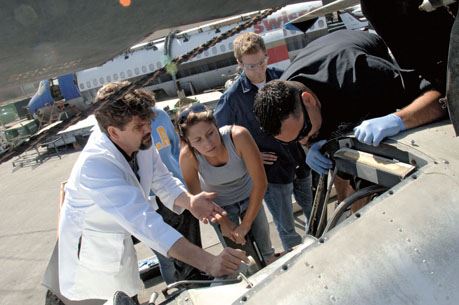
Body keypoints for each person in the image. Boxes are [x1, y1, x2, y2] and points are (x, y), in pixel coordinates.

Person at [58, 81, 248, 304]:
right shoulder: (96, 166)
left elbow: (161, 178)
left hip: (116, 241)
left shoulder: (140, 142)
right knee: (104, 298)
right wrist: (210, 263)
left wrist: (190, 201)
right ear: (113, 132)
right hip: (89, 254)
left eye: (148, 121)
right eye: (139, 126)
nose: (148, 129)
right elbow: (147, 225)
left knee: (125, 295)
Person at [254, 30, 447, 178]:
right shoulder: (285, 91)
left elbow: (440, 97)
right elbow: (304, 137)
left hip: (363, 61)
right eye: (294, 140)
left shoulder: (361, 73)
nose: (304, 141)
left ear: (308, 100)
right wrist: (309, 147)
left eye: (304, 133)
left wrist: (398, 120)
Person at [214, 32, 313, 251]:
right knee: (287, 229)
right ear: (239, 63)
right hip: (272, 173)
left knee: (315, 214)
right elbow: (221, 140)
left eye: (261, 62)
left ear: (267, 56)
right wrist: (252, 155)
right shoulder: (232, 100)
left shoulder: (283, 79)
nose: (258, 69)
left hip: (300, 162)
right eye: (250, 66)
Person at [177, 103, 276, 264]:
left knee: (267, 252)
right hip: (218, 208)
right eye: (198, 140)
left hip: (251, 197)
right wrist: (224, 223)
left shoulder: (238, 136)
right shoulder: (188, 157)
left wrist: (246, 224)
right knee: (241, 260)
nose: (208, 144)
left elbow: (260, 182)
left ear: (217, 126)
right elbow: (199, 200)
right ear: (188, 142)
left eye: (211, 133)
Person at [149, 106, 207, 284]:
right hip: (152, 203)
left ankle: (201, 285)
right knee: (168, 258)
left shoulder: (159, 115)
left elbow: (176, 148)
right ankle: (180, 292)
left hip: (179, 190)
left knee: (194, 247)